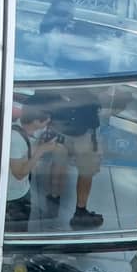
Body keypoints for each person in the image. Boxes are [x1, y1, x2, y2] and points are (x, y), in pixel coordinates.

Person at [42, 90, 104, 229]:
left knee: (58, 165)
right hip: (86, 131)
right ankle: (80, 212)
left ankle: (53, 203)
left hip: (61, 129)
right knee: (86, 171)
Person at [7, 106, 60, 233]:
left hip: (22, 192)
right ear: (36, 121)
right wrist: (41, 150)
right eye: (47, 120)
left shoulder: (23, 131)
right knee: (17, 234)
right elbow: (19, 174)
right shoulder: (15, 139)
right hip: (13, 199)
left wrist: (39, 145)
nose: (49, 122)